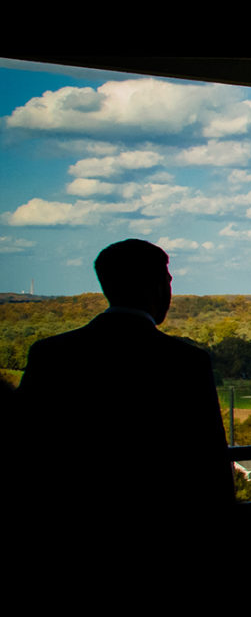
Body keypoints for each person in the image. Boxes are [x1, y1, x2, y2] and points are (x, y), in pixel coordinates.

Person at [13, 239, 234, 565]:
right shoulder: (185, 362)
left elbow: (24, 447)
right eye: (168, 281)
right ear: (156, 286)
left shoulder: (51, 354)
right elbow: (209, 464)